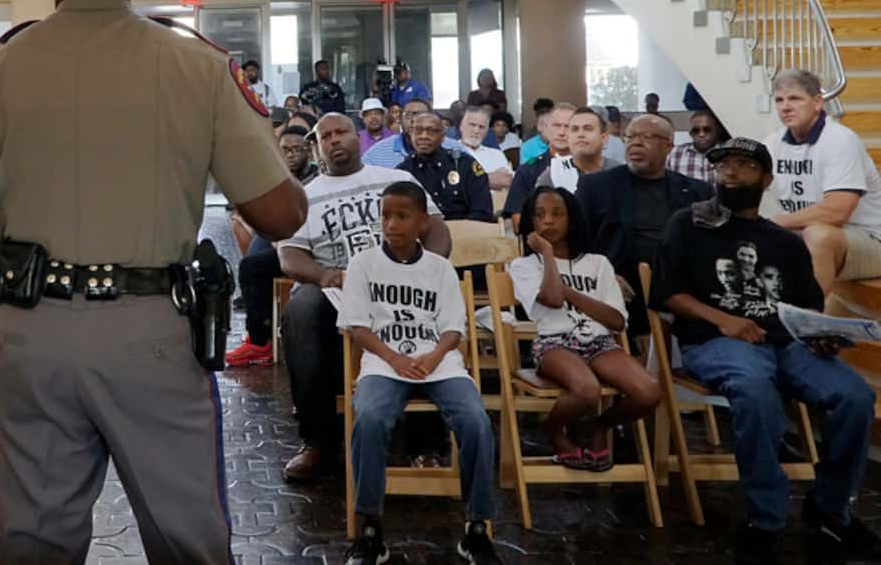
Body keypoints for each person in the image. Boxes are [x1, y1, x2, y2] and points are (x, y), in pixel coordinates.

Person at [0, 0, 308, 563]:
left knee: (36, 542)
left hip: (33, 330)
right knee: (189, 541)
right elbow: (278, 214)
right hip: (152, 332)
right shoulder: (198, 68)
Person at [652, 137, 880, 561]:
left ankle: (830, 510)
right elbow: (666, 293)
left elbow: (808, 305)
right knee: (754, 390)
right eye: (723, 166)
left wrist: (820, 333)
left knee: (855, 396)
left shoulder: (785, 241)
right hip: (715, 338)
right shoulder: (688, 223)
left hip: (787, 343)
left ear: (767, 179)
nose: (731, 173)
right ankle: (766, 516)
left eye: (743, 165)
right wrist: (724, 320)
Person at [278, 113, 449, 481]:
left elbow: (437, 231)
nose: (335, 140)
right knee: (301, 310)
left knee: (429, 309)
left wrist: (424, 270)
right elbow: (289, 256)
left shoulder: (396, 179)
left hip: (401, 279)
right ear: (318, 147)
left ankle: (426, 444)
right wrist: (324, 275)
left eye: (342, 132)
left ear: (357, 137)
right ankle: (318, 442)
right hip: (337, 288)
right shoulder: (305, 197)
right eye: (326, 137)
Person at [338, 181, 499, 565]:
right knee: (372, 418)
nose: (391, 224)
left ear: (422, 222)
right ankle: (371, 529)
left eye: (402, 216)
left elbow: (453, 328)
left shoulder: (440, 268)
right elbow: (358, 328)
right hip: (383, 362)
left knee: (476, 421)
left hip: (439, 363)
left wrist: (432, 356)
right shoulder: (362, 264)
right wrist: (394, 359)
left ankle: (476, 529)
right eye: (385, 215)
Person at [508, 187, 658, 470]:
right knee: (586, 390)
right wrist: (548, 255)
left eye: (557, 214)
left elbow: (616, 321)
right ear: (531, 223)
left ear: (572, 220)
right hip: (554, 344)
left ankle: (599, 427)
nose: (548, 221)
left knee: (649, 391)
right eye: (539, 216)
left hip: (601, 344)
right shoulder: (524, 265)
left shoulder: (598, 263)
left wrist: (569, 292)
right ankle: (552, 429)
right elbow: (551, 300)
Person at [576, 113, 712, 338]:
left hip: (678, 287)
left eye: (647, 136)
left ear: (668, 146)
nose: (636, 143)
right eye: (630, 137)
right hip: (619, 285)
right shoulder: (597, 187)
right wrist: (603, 274)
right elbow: (575, 240)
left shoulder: (697, 191)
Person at [764, 69, 881, 292]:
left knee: (817, 234)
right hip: (822, 236)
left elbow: (836, 212)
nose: (785, 106)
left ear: (818, 102)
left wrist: (772, 223)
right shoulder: (773, 142)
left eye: (795, 98)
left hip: (872, 238)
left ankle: (809, 318)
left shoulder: (840, 140)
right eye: (779, 100)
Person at [226, 127, 320, 368]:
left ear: (308, 152)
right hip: (280, 239)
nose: (290, 155)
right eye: (284, 150)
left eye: (296, 150)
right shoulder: (274, 177)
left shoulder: (315, 179)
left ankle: (259, 342)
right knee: (255, 258)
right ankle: (259, 336)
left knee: (253, 267)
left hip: (309, 249)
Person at [399, 111, 495, 223]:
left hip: (464, 234)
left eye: (431, 131)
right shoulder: (403, 171)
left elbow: (483, 212)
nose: (423, 136)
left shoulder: (464, 164)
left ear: (443, 137)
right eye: (418, 130)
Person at [503, 103, 574, 232]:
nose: (562, 132)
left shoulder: (588, 169)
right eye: (557, 126)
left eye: (568, 127)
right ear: (546, 128)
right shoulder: (527, 170)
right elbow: (518, 222)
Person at [363, 97, 468, 169]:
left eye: (421, 115)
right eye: (409, 115)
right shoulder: (376, 154)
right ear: (400, 119)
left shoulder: (455, 148)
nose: (414, 120)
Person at [535, 105, 620, 193]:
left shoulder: (620, 173)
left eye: (588, 129)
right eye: (574, 129)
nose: (580, 134)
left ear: (604, 137)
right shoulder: (553, 175)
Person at [459, 106, 513, 190]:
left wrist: (471, 181)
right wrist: (490, 179)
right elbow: (454, 185)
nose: (476, 131)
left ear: (486, 132)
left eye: (481, 127)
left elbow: (507, 181)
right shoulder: (449, 153)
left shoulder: (497, 154)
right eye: (472, 125)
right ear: (461, 126)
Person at [668, 108, 728, 183]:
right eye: (696, 131)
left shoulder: (727, 153)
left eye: (707, 130)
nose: (701, 134)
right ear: (691, 134)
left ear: (717, 131)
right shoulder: (675, 153)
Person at [520, 97, 555, 164]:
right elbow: (527, 165)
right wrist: (539, 159)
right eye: (546, 125)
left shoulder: (561, 142)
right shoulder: (527, 145)